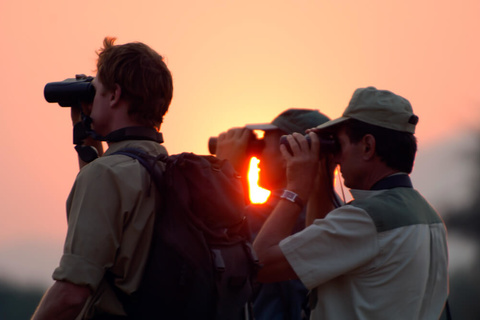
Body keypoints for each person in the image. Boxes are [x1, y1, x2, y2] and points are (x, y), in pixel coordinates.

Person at [253, 87, 449, 319]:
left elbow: (259, 263)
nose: (336, 157)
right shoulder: (430, 218)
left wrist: (296, 189)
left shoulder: (365, 220)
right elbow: (318, 249)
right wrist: (319, 179)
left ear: (367, 146)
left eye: (340, 145)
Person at [32, 37, 173, 319]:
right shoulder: (167, 169)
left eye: (95, 90)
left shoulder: (106, 177)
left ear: (114, 95)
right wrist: (87, 139)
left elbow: (71, 295)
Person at [215, 108, 336, 320]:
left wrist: (228, 172)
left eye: (263, 145)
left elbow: (225, 250)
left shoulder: (270, 215)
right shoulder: (340, 213)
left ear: (288, 152)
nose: (257, 156)